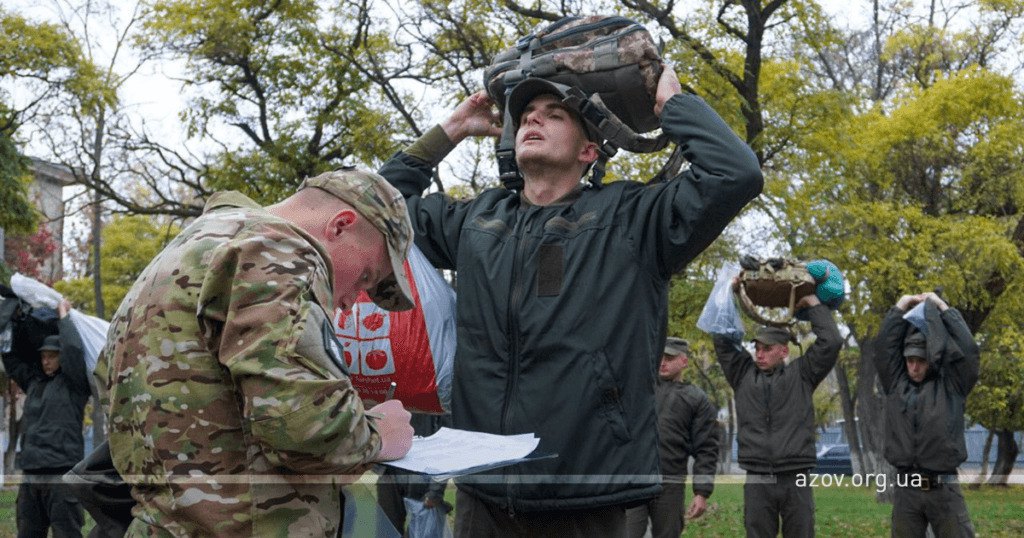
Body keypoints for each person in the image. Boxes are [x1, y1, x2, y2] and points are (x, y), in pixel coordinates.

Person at [378, 64, 763, 536]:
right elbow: (378, 208)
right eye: (526, 115)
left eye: (553, 114)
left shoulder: (633, 218)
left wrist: (672, 106)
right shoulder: (476, 220)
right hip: (482, 494)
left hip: (584, 497)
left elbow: (736, 173)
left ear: (588, 151)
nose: (532, 120)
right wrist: (452, 129)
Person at [95, 168, 417, 536]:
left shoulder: (188, 249)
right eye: (365, 277)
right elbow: (304, 429)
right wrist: (379, 434)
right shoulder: (276, 250)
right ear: (340, 226)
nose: (350, 302)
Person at [713, 293, 841, 537]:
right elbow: (722, 341)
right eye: (756, 348)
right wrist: (728, 293)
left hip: (796, 476)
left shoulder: (802, 374)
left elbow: (831, 341)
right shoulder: (742, 374)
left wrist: (813, 304)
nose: (759, 355)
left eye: (767, 349)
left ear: (783, 351)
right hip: (757, 477)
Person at [875, 292, 978, 537]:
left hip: (944, 489)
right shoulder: (896, 384)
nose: (914, 366)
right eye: (909, 360)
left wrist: (943, 307)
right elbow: (883, 350)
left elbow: (969, 352)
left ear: (931, 359)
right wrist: (900, 306)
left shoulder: (952, 386)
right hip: (906, 490)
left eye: (920, 360)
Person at [2, 299, 89, 537]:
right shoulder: (34, 383)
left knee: (67, 533)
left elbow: (74, 352)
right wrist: (9, 323)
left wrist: (64, 318)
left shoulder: (75, 384)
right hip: (31, 473)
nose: (46, 361)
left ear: (62, 357)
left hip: (62, 473)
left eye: (52, 356)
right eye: (43, 357)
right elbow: (11, 361)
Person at [625, 337, 720, 538]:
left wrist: (702, 492)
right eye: (660, 356)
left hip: (670, 484)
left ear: (684, 361)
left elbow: (707, 449)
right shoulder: (638, 390)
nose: (662, 362)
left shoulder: (696, 398)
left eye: (669, 357)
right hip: (633, 481)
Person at [376, 413, 453, 536]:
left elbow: (447, 441)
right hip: (390, 472)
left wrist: (436, 490)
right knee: (387, 532)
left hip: (423, 476)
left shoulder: (435, 398)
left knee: (423, 531)